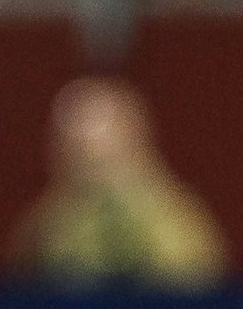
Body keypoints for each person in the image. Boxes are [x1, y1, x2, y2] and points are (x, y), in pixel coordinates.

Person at [16, 77, 230, 292]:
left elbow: (189, 288)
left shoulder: (174, 224)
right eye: (71, 152)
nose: (82, 164)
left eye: (99, 161)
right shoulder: (48, 222)